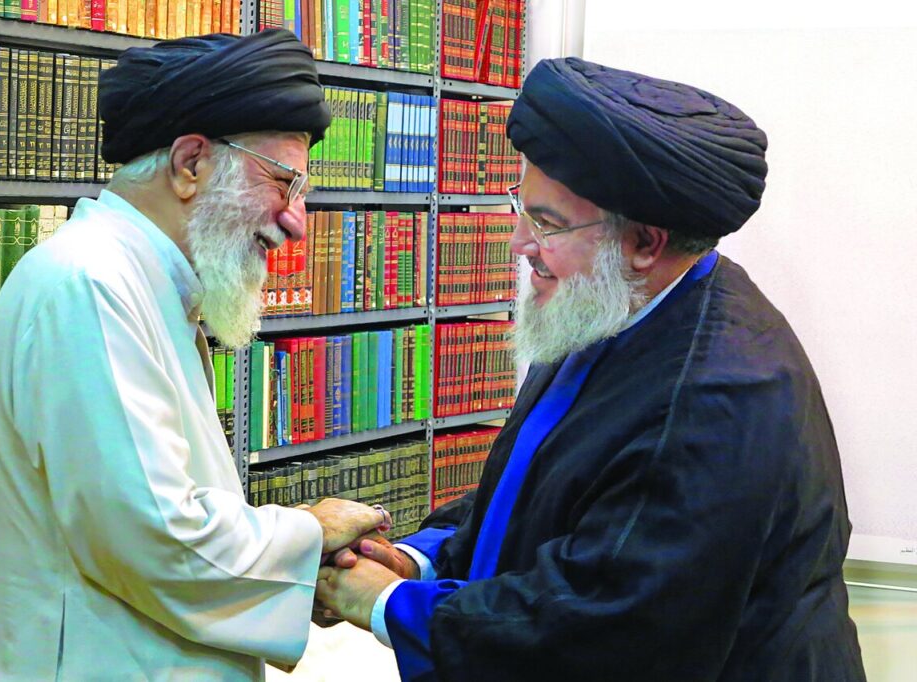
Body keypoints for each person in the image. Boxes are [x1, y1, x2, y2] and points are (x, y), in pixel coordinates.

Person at [315, 56, 867, 681]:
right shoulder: (613, 308)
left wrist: (388, 603)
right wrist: (417, 561)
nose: (520, 244)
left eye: (547, 224)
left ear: (644, 243)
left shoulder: (718, 397)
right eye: (523, 211)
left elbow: (607, 625)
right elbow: (532, 490)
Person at [0, 30, 389, 681]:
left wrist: (299, 573)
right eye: (282, 182)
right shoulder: (90, 285)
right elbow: (157, 537)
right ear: (191, 163)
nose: (296, 221)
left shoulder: (147, 287)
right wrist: (310, 535)